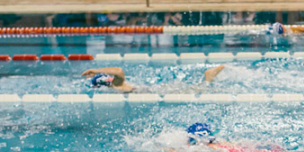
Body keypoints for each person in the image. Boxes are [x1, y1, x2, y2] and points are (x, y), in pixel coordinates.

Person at [81, 65, 228, 92]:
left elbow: (119, 71)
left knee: (198, 90)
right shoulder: (117, 86)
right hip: (150, 89)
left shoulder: (116, 86)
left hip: (149, 91)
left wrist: (96, 70)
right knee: (193, 89)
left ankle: (208, 78)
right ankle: (207, 80)